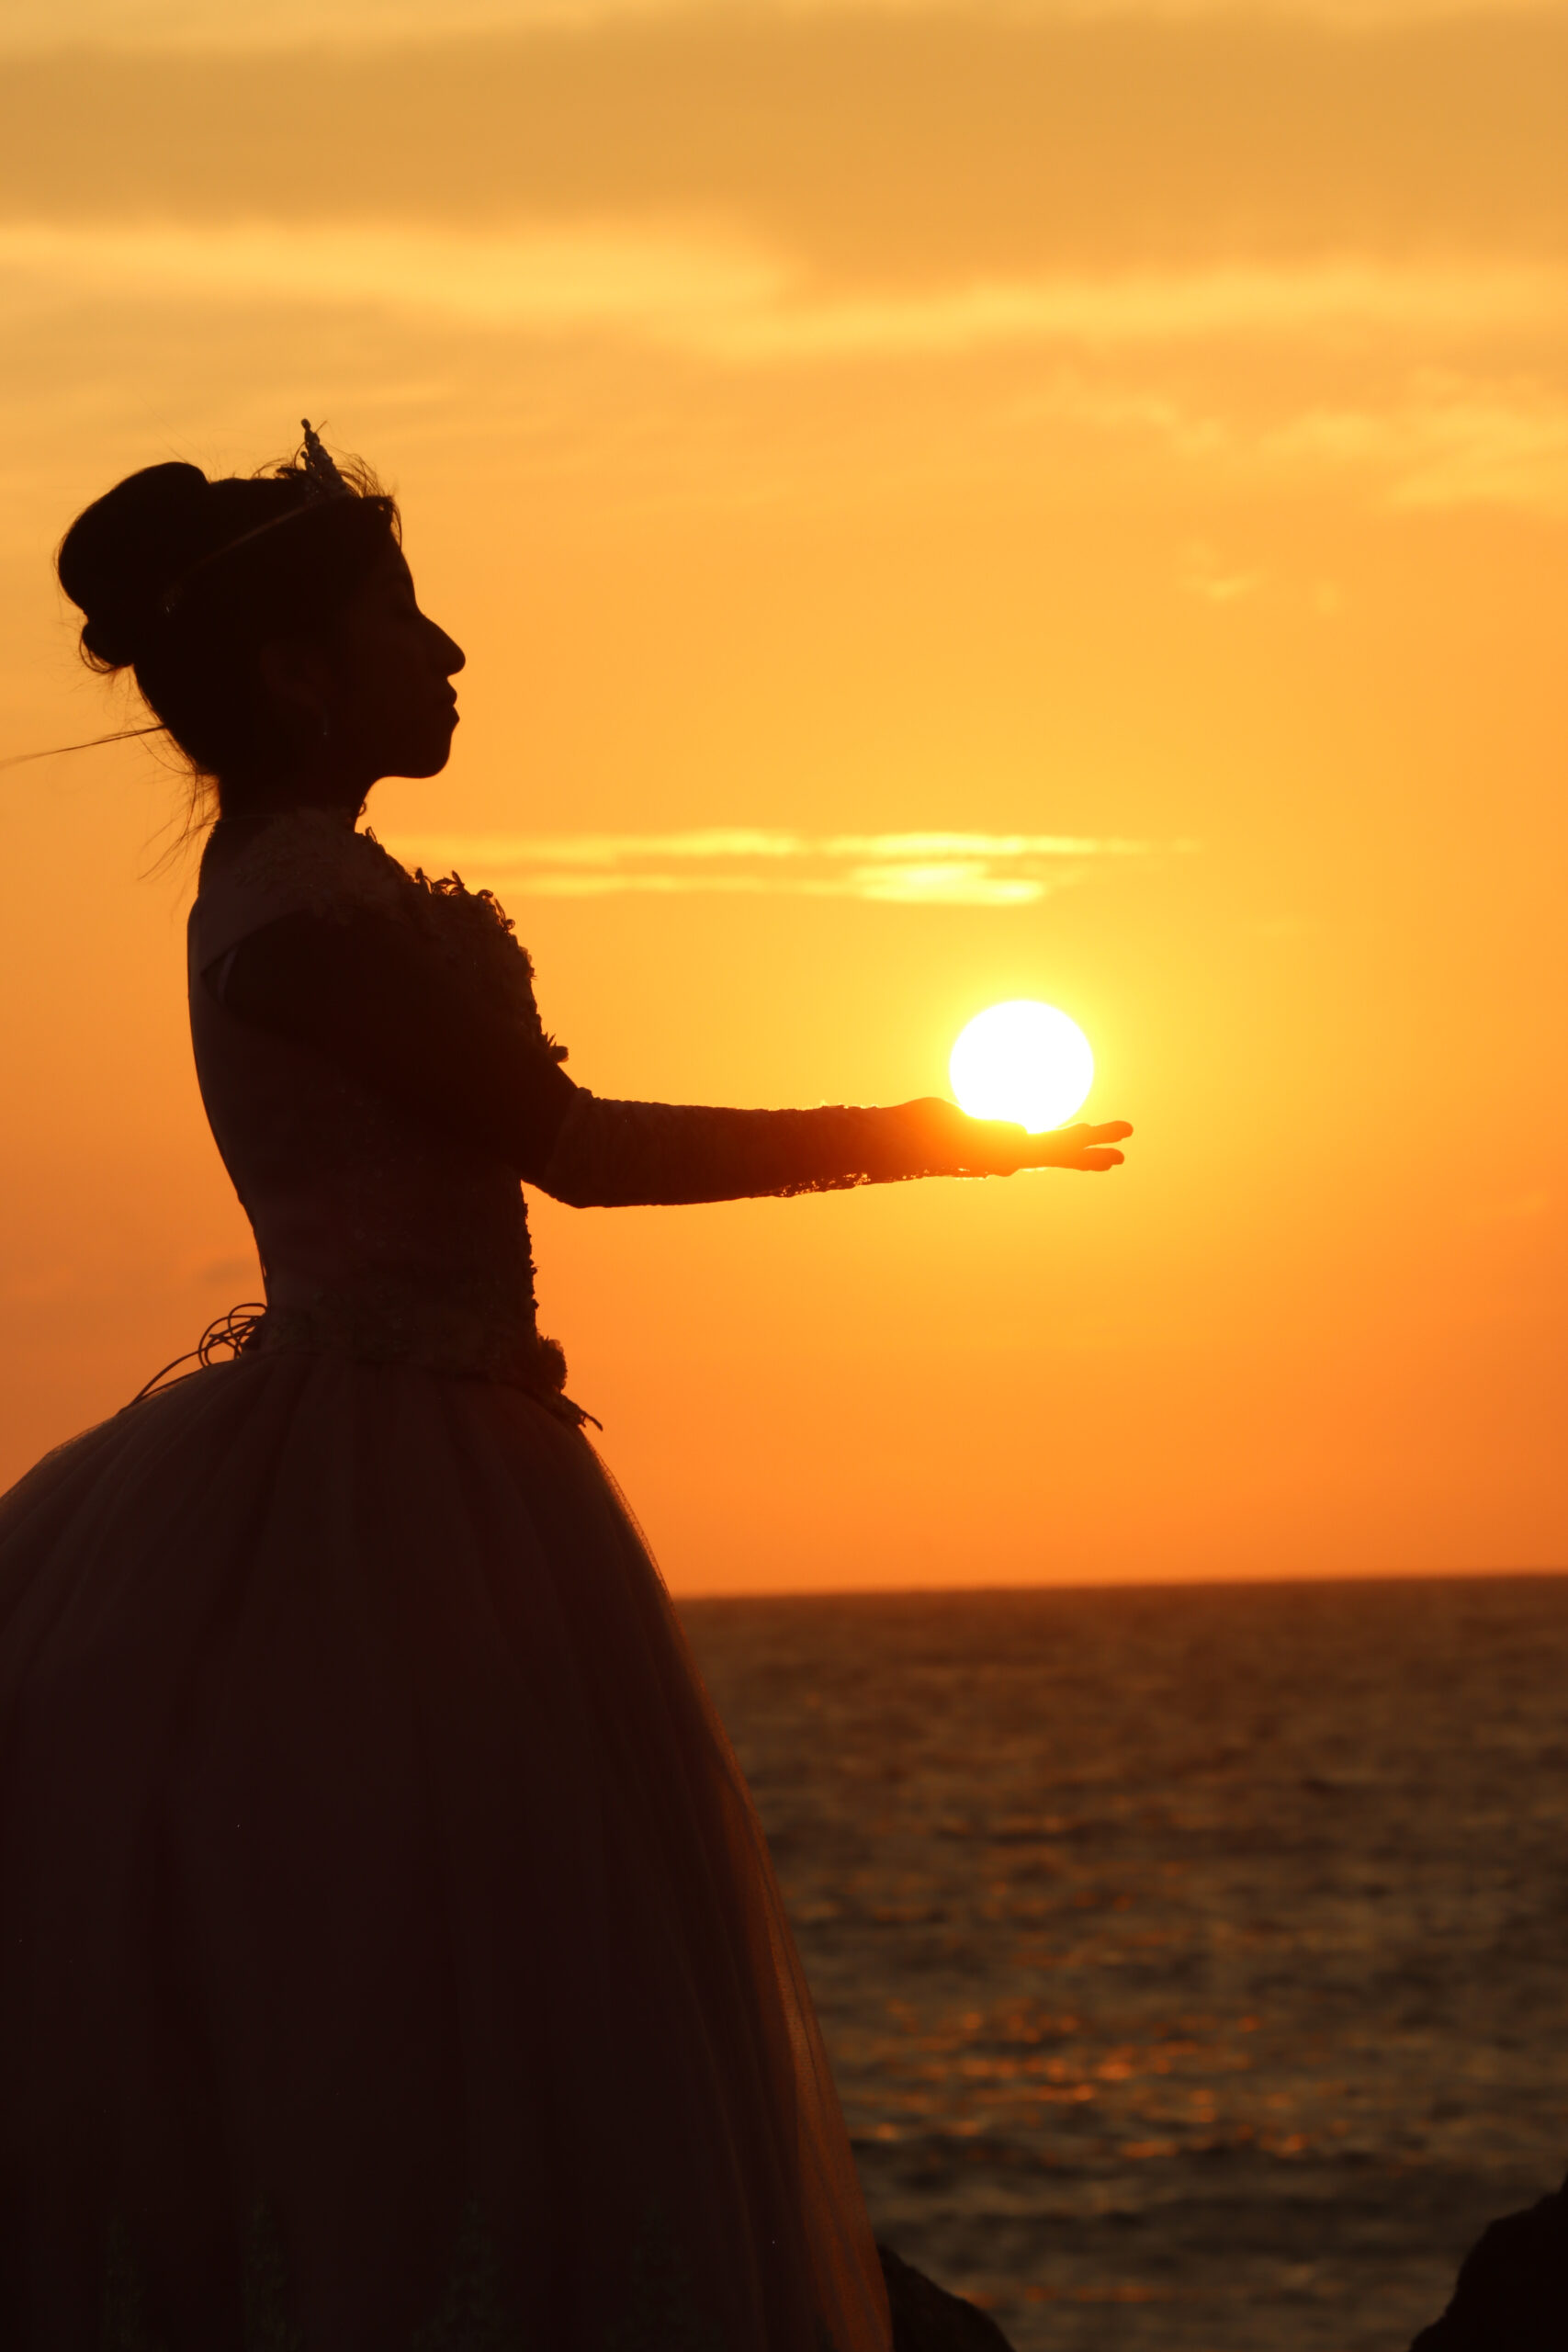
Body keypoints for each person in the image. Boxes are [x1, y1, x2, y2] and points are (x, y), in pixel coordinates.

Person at [0, 426, 1131, 2351]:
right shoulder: (300, 921)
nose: (445, 655)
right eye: (399, 620)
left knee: (495, 1964)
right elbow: (572, 1145)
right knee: (455, 1957)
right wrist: (925, 1137)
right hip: (396, 1474)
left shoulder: (312, 891)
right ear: (295, 671)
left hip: (447, 1447)